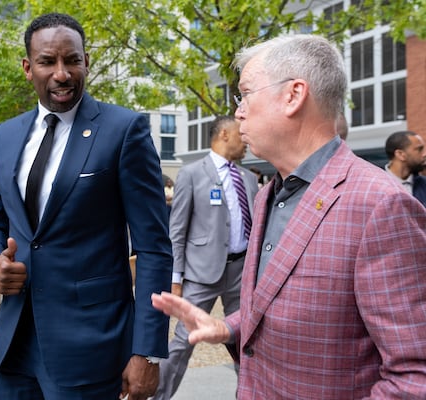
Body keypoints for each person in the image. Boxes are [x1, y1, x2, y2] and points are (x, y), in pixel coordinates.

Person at [152, 34, 426, 399]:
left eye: (245, 94)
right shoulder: (269, 194)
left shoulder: (380, 204)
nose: (238, 112)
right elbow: (280, 303)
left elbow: (413, 375)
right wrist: (228, 328)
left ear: (293, 96)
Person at [0, 13, 172, 400]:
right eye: (48, 62)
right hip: (15, 342)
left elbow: (153, 247)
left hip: (91, 345)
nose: (62, 73)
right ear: (28, 68)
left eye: (73, 61)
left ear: (87, 63)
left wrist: (147, 350)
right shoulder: (5, 135)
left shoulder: (124, 130)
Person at [152, 115, 257, 400]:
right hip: (201, 273)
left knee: (245, 342)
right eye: (239, 134)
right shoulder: (192, 173)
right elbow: (177, 231)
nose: (245, 139)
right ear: (223, 133)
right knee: (183, 342)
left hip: (241, 271)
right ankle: (158, 396)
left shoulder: (249, 178)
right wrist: (176, 278)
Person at [384, 130, 426, 205]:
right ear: (400, 154)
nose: (424, 154)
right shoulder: (375, 185)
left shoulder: (423, 183)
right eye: (419, 149)